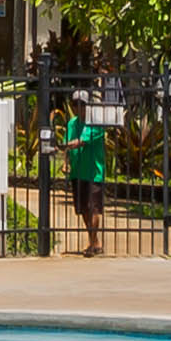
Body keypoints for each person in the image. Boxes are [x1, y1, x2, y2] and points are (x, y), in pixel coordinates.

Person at [63, 104, 114, 254]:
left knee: (94, 208)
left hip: (93, 173)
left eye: (83, 104)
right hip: (77, 171)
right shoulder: (72, 123)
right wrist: (65, 162)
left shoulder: (96, 123)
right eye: (77, 103)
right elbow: (68, 142)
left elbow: (82, 141)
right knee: (83, 209)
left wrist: (66, 145)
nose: (80, 108)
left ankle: (92, 244)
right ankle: (95, 241)